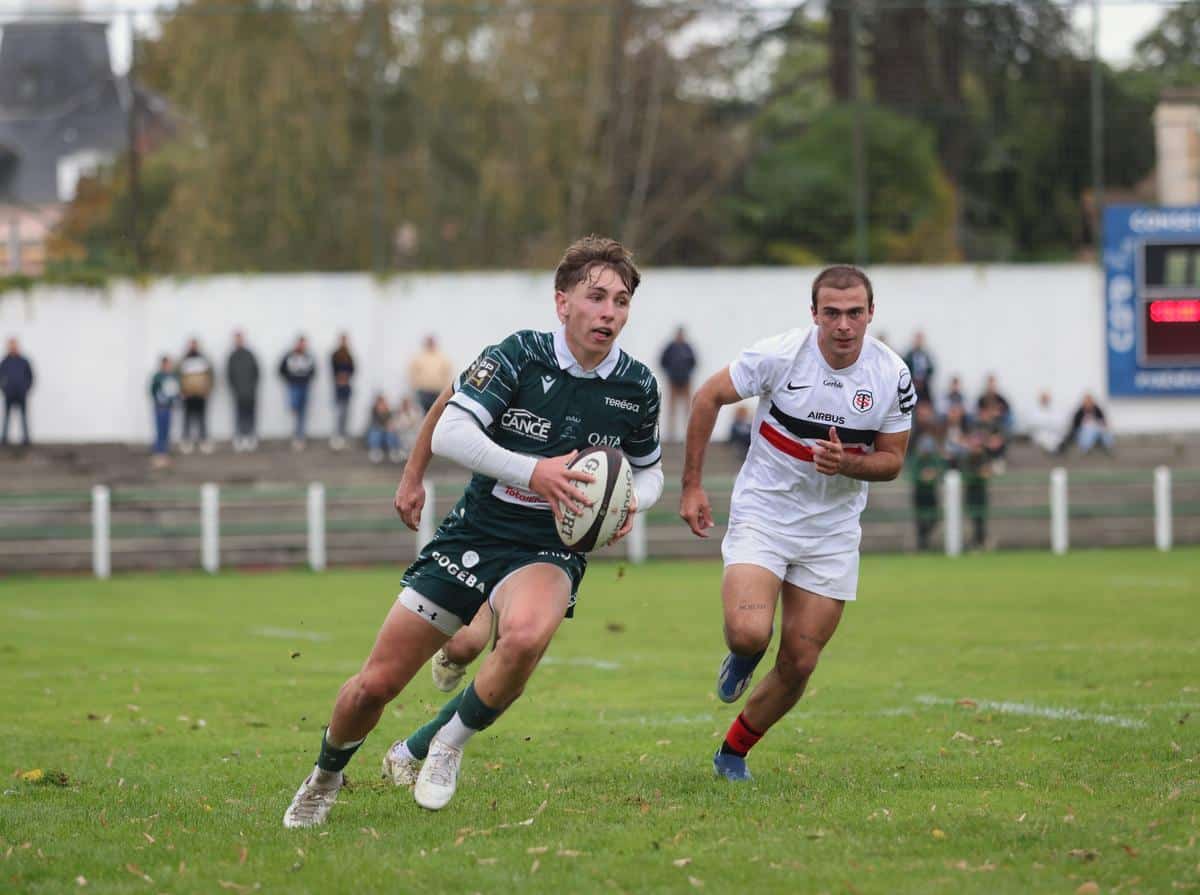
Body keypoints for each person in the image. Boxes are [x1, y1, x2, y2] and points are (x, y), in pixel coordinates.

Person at [283, 236, 664, 828]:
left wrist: (630, 502)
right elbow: (451, 431)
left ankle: (446, 745)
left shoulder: (637, 385)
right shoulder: (518, 354)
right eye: (596, 297)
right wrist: (534, 472)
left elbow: (649, 468)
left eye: (621, 301)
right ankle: (325, 777)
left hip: (550, 546)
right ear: (562, 302)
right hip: (477, 533)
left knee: (526, 637)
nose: (609, 312)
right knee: (375, 685)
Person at [679, 264, 913, 782]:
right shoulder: (780, 355)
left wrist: (846, 463)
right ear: (814, 314)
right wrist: (692, 485)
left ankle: (732, 753)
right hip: (765, 514)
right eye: (832, 313)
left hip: (831, 532)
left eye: (855, 313)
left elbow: (893, 460)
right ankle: (743, 656)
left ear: (871, 313)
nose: (844, 325)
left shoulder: (892, 375)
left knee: (800, 663)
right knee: (748, 632)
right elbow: (707, 396)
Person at [659, 326, 698, 442]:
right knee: (672, 408)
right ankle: (671, 433)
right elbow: (662, 361)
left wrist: (688, 372)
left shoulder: (687, 348)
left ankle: (690, 433)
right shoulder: (670, 348)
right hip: (673, 381)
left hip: (686, 381)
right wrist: (669, 373)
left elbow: (694, 362)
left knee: (688, 408)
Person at [279, 336, 316, 450]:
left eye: (303, 344)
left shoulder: (308, 357)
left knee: (303, 412)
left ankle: (300, 436)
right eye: (300, 343)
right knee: (295, 410)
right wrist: (289, 379)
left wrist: (307, 379)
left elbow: (313, 371)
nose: (302, 346)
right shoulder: (289, 356)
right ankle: (296, 435)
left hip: (305, 386)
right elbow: (281, 370)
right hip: (294, 386)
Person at [178, 338, 214, 454]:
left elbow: (211, 374)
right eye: (191, 345)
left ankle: (204, 440)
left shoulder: (204, 359)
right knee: (187, 419)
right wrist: (181, 390)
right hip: (188, 395)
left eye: (195, 345)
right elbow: (178, 375)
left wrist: (208, 389)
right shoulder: (184, 359)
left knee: (202, 418)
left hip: (201, 394)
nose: (193, 347)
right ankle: (186, 441)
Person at [226, 331, 260, 452]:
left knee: (250, 415)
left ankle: (251, 437)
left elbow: (257, 372)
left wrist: (253, 387)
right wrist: (234, 388)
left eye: (240, 339)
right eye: (237, 339)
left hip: (250, 392)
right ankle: (239, 437)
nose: (239, 341)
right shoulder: (232, 356)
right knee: (239, 416)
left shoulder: (250, 354)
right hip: (238, 393)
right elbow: (229, 375)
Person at [0, 337, 34, 447]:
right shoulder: (5, 361)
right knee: (7, 417)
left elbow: (30, 376)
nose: (12, 347)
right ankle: (4, 438)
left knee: (23, 416)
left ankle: (26, 438)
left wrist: (26, 388)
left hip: (21, 393)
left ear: (17, 346)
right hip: (9, 393)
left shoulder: (24, 361)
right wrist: (4, 389)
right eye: (11, 345)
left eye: (14, 345)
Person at [409, 334, 454, 414]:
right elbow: (412, 373)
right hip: (423, 391)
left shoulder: (442, 358)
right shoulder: (419, 357)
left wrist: (446, 388)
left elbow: (447, 373)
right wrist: (415, 386)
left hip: (438, 391)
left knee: (437, 413)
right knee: (425, 413)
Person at [149, 355, 179, 468]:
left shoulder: (173, 376)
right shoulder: (158, 377)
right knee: (160, 431)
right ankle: (158, 454)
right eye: (167, 364)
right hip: (160, 407)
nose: (168, 366)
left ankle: (165, 454)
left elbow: (175, 391)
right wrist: (159, 399)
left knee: (166, 431)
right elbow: (153, 390)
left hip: (169, 408)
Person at [330, 333, 356, 451]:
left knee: (346, 413)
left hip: (346, 387)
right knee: (339, 412)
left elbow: (353, 369)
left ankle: (343, 435)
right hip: (338, 387)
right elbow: (333, 370)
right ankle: (337, 435)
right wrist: (339, 378)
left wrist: (346, 377)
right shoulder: (335, 355)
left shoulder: (349, 355)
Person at [364, 392, 402, 464]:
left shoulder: (388, 412)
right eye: (380, 403)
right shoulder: (374, 412)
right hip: (378, 432)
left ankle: (393, 451)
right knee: (375, 432)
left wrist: (388, 426)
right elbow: (375, 424)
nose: (381, 405)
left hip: (386, 433)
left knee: (391, 432)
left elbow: (390, 423)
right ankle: (375, 451)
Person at [902, 331, 935, 402]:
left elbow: (931, 369)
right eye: (917, 340)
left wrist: (925, 379)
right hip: (912, 383)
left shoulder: (926, 355)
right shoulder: (909, 355)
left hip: (924, 384)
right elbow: (905, 368)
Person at [1027, 390, 1063, 455]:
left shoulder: (1054, 411)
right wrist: (1045, 424)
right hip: (1039, 434)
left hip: (1052, 433)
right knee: (1043, 439)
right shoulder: (1034, 411)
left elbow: (1058, 424)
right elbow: (1032, 424)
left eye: (1047, 399)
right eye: (1044, 399)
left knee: (1055, 440)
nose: (1045, 400)